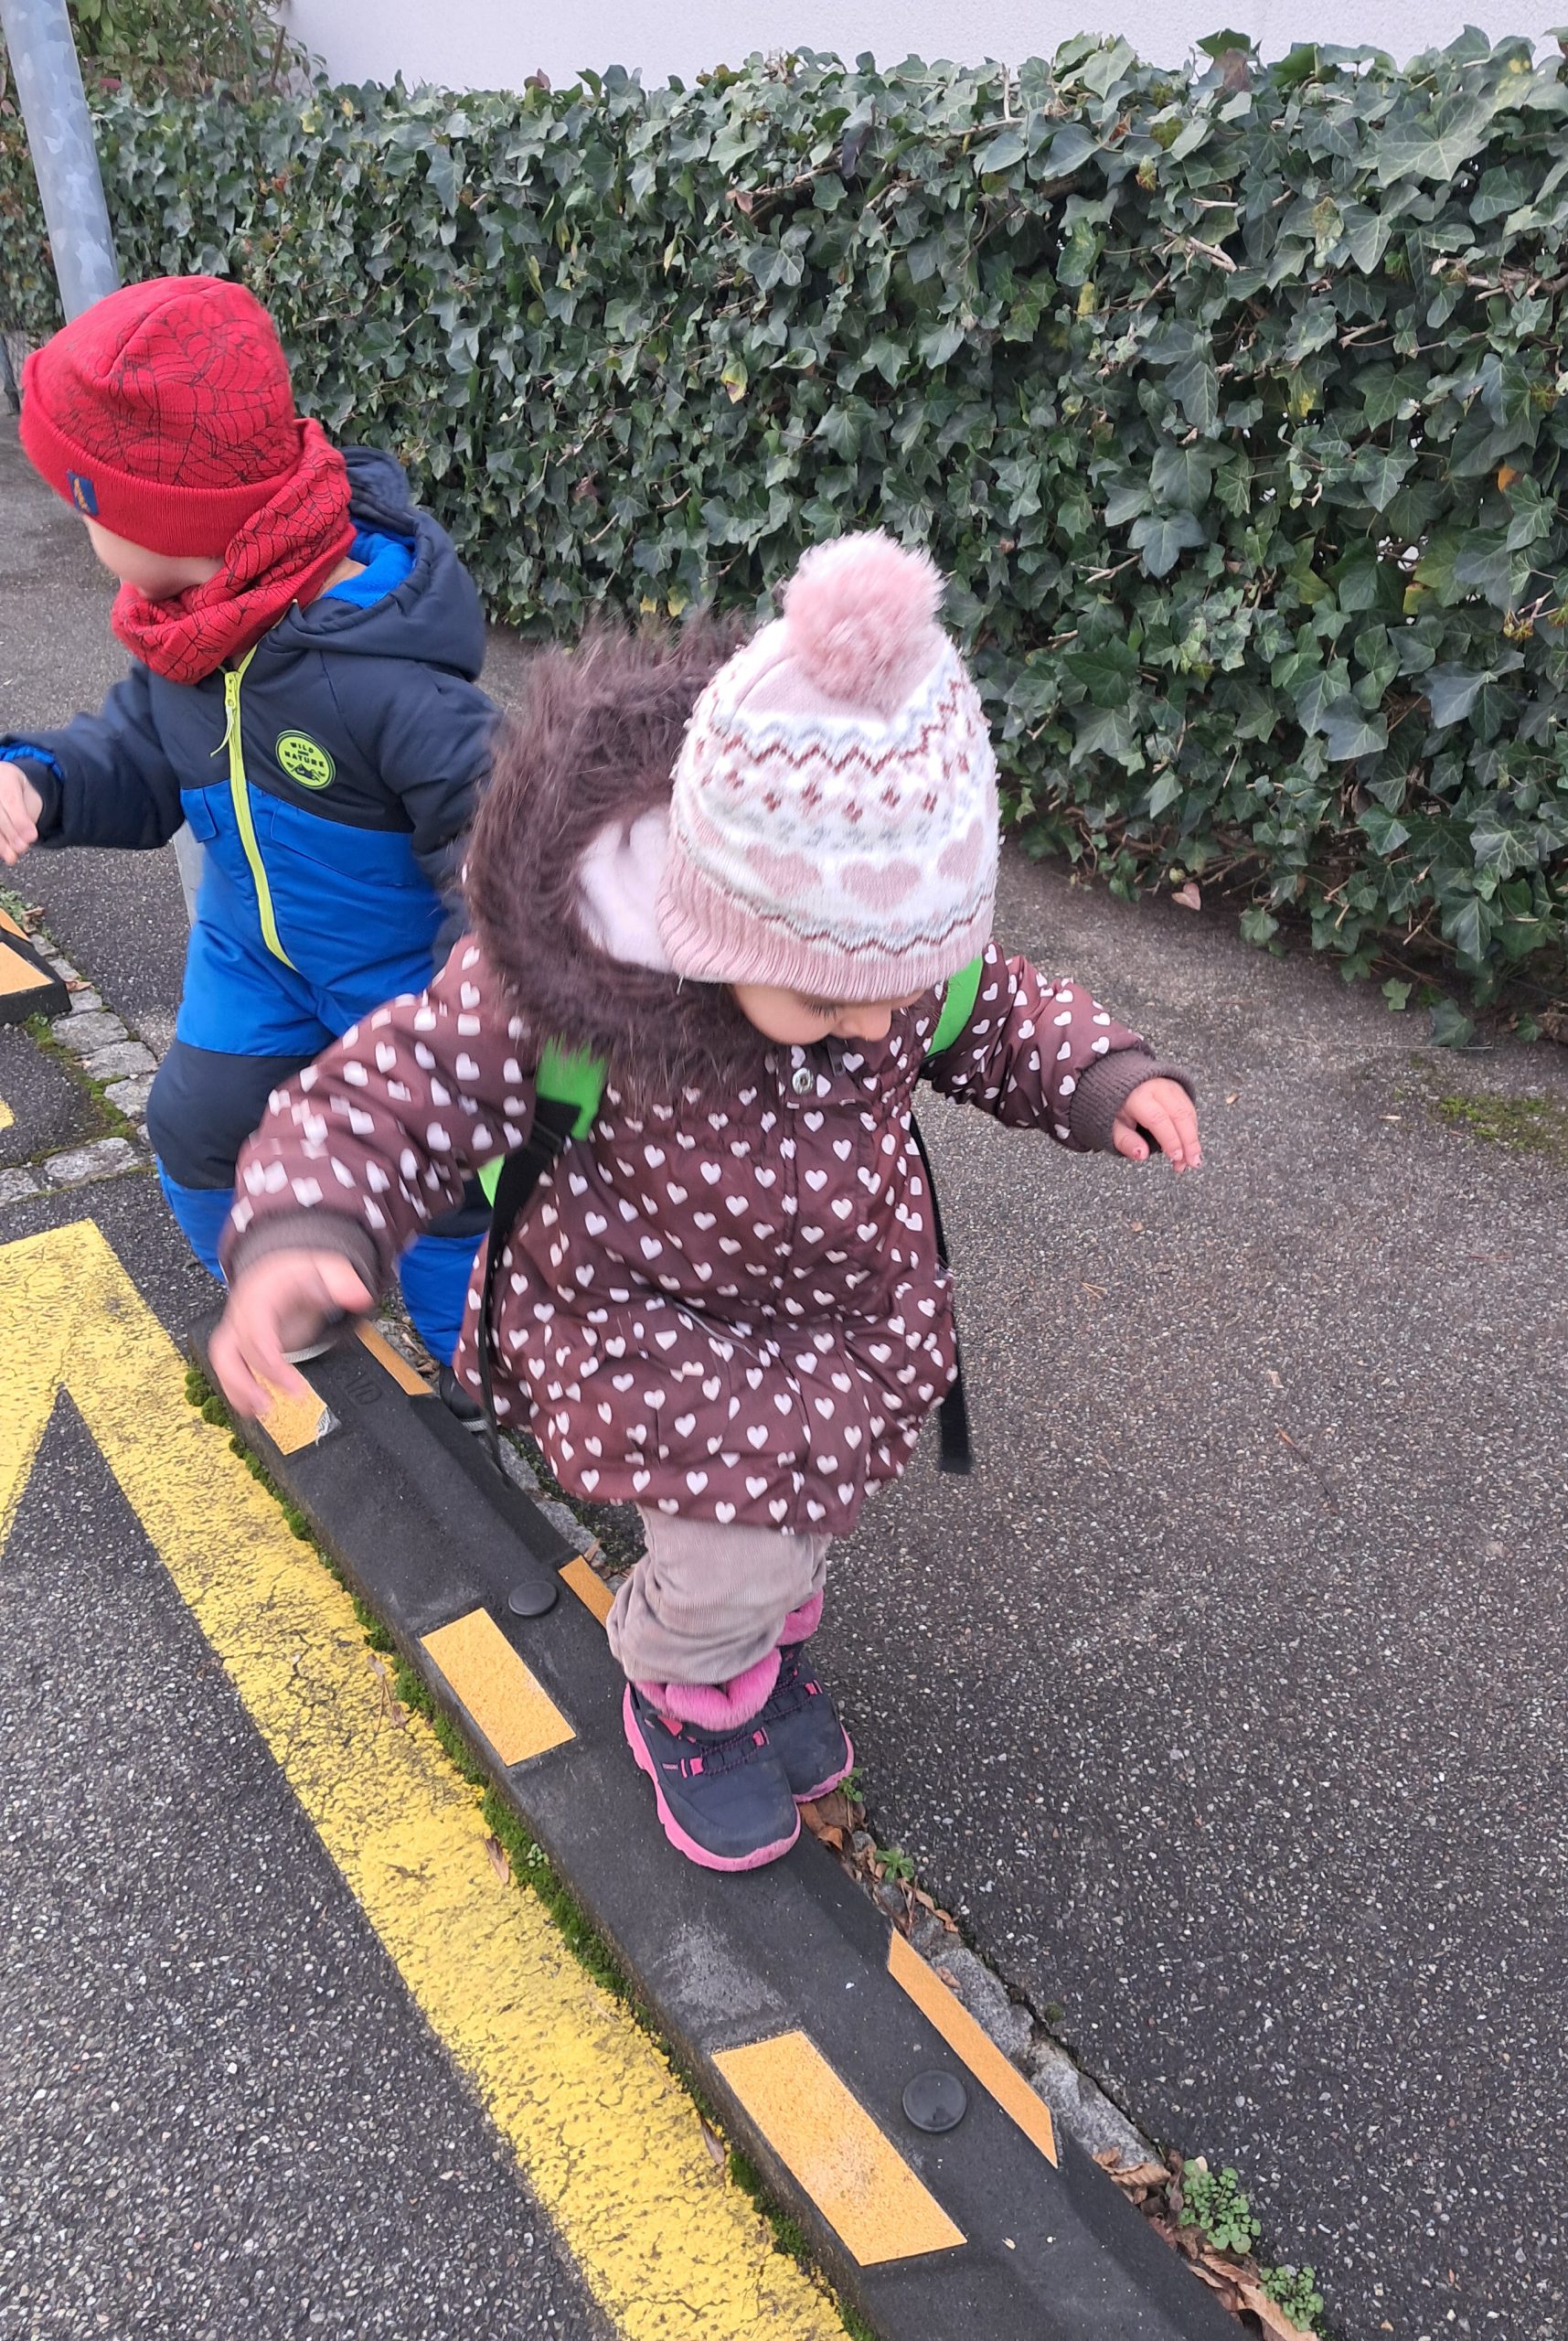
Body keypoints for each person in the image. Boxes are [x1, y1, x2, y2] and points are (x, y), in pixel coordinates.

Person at [207, 532, 1202, 1872]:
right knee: (728, 1560)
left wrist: (1100, 1075)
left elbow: (995, 1009)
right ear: (720, 925)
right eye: (830, 1000)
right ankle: (686, 1692)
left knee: (804, 1517)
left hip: (836, 1316)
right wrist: (303, 1230)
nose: (875, 1027)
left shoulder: (885, 961)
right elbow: (396, 1092)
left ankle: (750, 1650)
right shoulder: (574, 987)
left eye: (898, 993)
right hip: (646, 1325)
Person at [0, 273, 496, 1375]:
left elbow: (499, 830)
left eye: (87, 510)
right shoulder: (190, 628)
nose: (81, 531)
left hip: (398, 988)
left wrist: (479, 1001)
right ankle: (280, 1304)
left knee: (445, 1194)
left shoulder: (376, 670)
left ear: (162, 522)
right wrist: (37, 777)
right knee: (194, 1126)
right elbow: (139, 747)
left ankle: (476, 1369)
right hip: (255, 959)